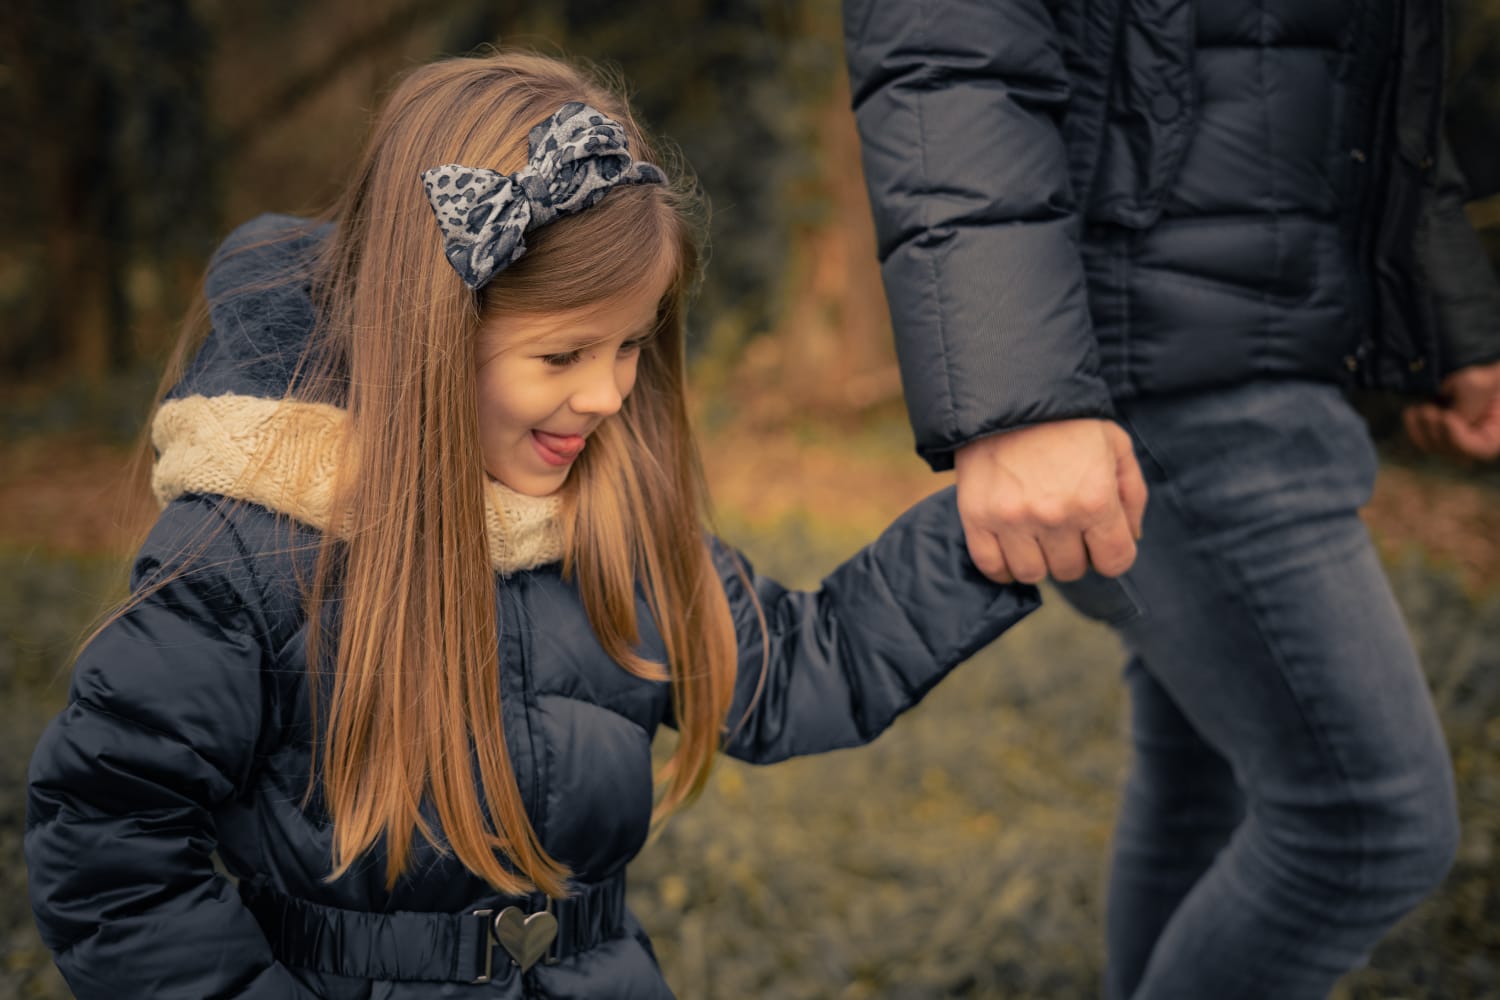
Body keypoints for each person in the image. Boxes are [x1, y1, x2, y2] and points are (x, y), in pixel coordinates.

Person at [24, 50, 1041, 1000]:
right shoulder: (252, 553)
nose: (607, 395)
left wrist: (999, 524)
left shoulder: (609, 519)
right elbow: (111, 852)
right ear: (430, 333)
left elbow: (803, 666)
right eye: (562, 356)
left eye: (630, 345)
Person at [843, 1, 1500, 998]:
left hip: (1270, 342)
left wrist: (1452, 315)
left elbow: (1379, 64)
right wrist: (1020, 393)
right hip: (1159, 363)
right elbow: (948, 49)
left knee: (1208, 782)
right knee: (1367, 823)